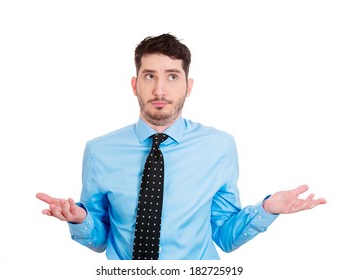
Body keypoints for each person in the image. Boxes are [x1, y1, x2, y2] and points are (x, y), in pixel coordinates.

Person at [36, 33, 327, 260]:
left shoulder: (219, 147)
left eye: (172, 77)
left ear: (188, 86)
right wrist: (80, 220)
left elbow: (225, 237)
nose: (160, 90)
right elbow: (100, 240)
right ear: (135, 84)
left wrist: (267, 209)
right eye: (150, 76)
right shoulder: (99, 151)